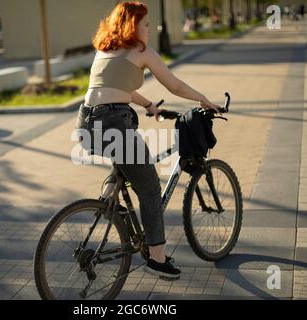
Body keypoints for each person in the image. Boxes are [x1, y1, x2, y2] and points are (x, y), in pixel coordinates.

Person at [75, 1, 220, 280]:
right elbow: (174, 85)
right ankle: (157, 258)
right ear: (132, 26)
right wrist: (204, 99)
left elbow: (115, 90)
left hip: (87, 123)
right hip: (113, 121)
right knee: (150, 187)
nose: (149, 29)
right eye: (144, 24)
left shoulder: (104, 50)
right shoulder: (142, 51)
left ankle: (108, 206)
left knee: (124, 164)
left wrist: (149, 104)